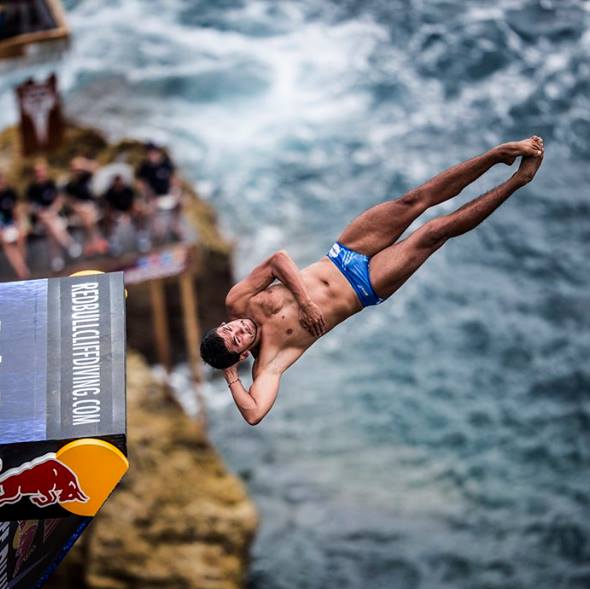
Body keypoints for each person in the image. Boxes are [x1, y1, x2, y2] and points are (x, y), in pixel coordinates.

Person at [202, 137, 545, 425]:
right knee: (434, 232)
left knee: (414, 200)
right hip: (365, 287)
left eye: (229, 329)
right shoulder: (271, 361)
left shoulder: (239, 302)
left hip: (342, 254)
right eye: (237, 340)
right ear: (243, 354)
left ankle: (497, 155)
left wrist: (305, 302)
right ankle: (518, 181)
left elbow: (277, 260)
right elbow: (254, 414)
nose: (240, 329)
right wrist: (232, 375)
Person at [26, 161, 79, 271]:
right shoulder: (31, 189)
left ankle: (56, 259)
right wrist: (44, 214)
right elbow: (32, 208)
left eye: (41, 170)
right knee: (50, 224)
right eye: (37, 171)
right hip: (40, 222)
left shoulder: (51, 183)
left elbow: (59, 200)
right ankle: (69, 244)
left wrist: (52, 211)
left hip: (54, 217)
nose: (40, 173)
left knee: (52, 229)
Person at [0, 171, 30, 279]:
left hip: (12, 223)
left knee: (21, 236)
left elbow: (17, 210)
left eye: (1, 183)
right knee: (5, 242)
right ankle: (21, 270)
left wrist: (19, 225)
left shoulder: (10, 193)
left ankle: (21, 265)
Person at [62, 157, 107, 256]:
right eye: (74, 170)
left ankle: (90, 242)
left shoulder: (86, 178)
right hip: (78, 212)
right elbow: (69, 202)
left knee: (87, 213)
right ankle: (96, 240)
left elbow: (97, 167)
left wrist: (84, 164)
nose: (77, 172)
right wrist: (76, 207)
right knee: (84, 212)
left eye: (78, 170)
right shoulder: (69, 185)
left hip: (91, 209)